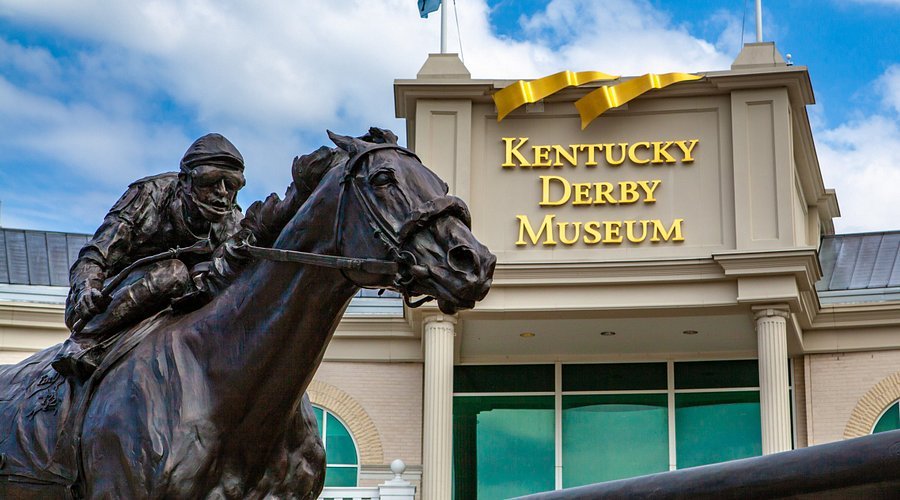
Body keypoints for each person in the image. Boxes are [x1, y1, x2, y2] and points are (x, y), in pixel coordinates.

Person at [52, 133, 248, 380]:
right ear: (185, 180)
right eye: (211, 181)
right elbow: (95, 255)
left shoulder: (232, 221)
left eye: (231, 185)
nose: (222, 193)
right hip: (103, 304)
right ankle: (85, 340)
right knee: (174, 272)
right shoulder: (148, 195)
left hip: (178, 305)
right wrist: (86, 289)